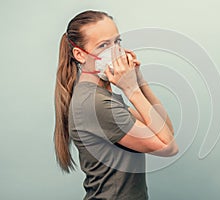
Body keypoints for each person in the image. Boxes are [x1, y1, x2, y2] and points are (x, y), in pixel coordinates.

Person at [54, 10, 178, 200]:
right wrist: (132, 90)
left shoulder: (102, 96)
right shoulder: (94, 104)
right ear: (79, 54)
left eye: (117, 42)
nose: (115, 52)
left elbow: (165, 130)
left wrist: (139, 80)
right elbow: (168, 147)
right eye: (103, 45)